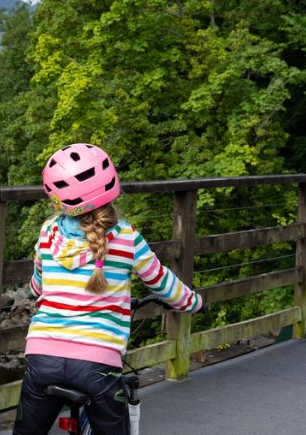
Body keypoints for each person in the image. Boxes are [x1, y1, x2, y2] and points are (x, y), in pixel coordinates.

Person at [13, 143, 202, 435]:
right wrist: (193, 303)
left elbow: (37, 286)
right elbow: (162, 282)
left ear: (56, 201)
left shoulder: (48, 232)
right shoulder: (126, 237)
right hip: (97, 364)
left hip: (42, 357)